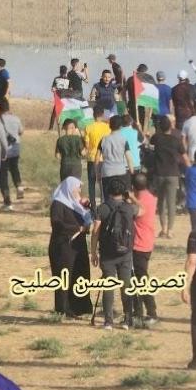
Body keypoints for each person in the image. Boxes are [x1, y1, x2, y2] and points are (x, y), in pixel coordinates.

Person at [90, 177, 139, 330]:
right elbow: (142, 210)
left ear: (108, 191)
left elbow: (95, 232)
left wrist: (93, 252)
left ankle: (108, 321)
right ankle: (127, 319)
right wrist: (130, 197)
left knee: (108, 287)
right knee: (126, 285)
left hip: (107, 253)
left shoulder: (102, 208)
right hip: (125, 253)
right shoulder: (129, 208)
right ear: (122, 192)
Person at [48, 177, 94, 318]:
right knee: (64, 277)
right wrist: (77, 228)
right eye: (77, 188)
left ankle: (79, 308)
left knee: (80, 275)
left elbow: (91, 219)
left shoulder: (77, 204)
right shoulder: (58, 204)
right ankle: (63, 309)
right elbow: (56, 223)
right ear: (69, 188)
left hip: (78, 246)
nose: (79, 191)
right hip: (63, 246)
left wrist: (88, 206)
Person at [129, 172, 159, 326]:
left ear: (133, 187)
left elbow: (138, 209)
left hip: (139, 245)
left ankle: (151, 312)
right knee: (139, 278)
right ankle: (138, 311)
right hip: (147, 242)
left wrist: (130, 198)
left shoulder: (139, 203)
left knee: (140, 280)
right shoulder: (151, 197)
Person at [150, 115, 187, 238]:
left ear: (160, 127)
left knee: (161, 202)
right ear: (171, 126)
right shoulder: (176, 140)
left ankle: (163, 228)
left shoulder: (157, 138)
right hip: (173, 173)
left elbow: (150, 142)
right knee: (171, 202)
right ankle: (170, 230)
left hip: (160, 173)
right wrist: (189, 167)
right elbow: (184, 155)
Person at [0, 101, 25, 211]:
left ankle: (7, 202)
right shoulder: (16, 118)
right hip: (15, 149)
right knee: (15, 169)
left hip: (3, 151)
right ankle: (19, 186)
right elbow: (21, 131)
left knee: (3, 176)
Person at [97, 115, 134, 193]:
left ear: (109, 126)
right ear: (120, 127)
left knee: (108, 197)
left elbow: (97, 159)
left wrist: (98, 173)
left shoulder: (103, 140)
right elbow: (129, 158)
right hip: (121, 172)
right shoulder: (123, 140)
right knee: (123, 196)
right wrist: (131, 171)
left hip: (107, 172)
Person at [83, 106, 110, 210]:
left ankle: (93, 207)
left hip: (92, 158)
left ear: (93, 115)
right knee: (102, 183)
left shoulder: (88, 127)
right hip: (104, 158)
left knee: (91, 183)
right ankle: (103, 205)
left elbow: (86, 145)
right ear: (102, 115)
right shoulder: (107, 127)